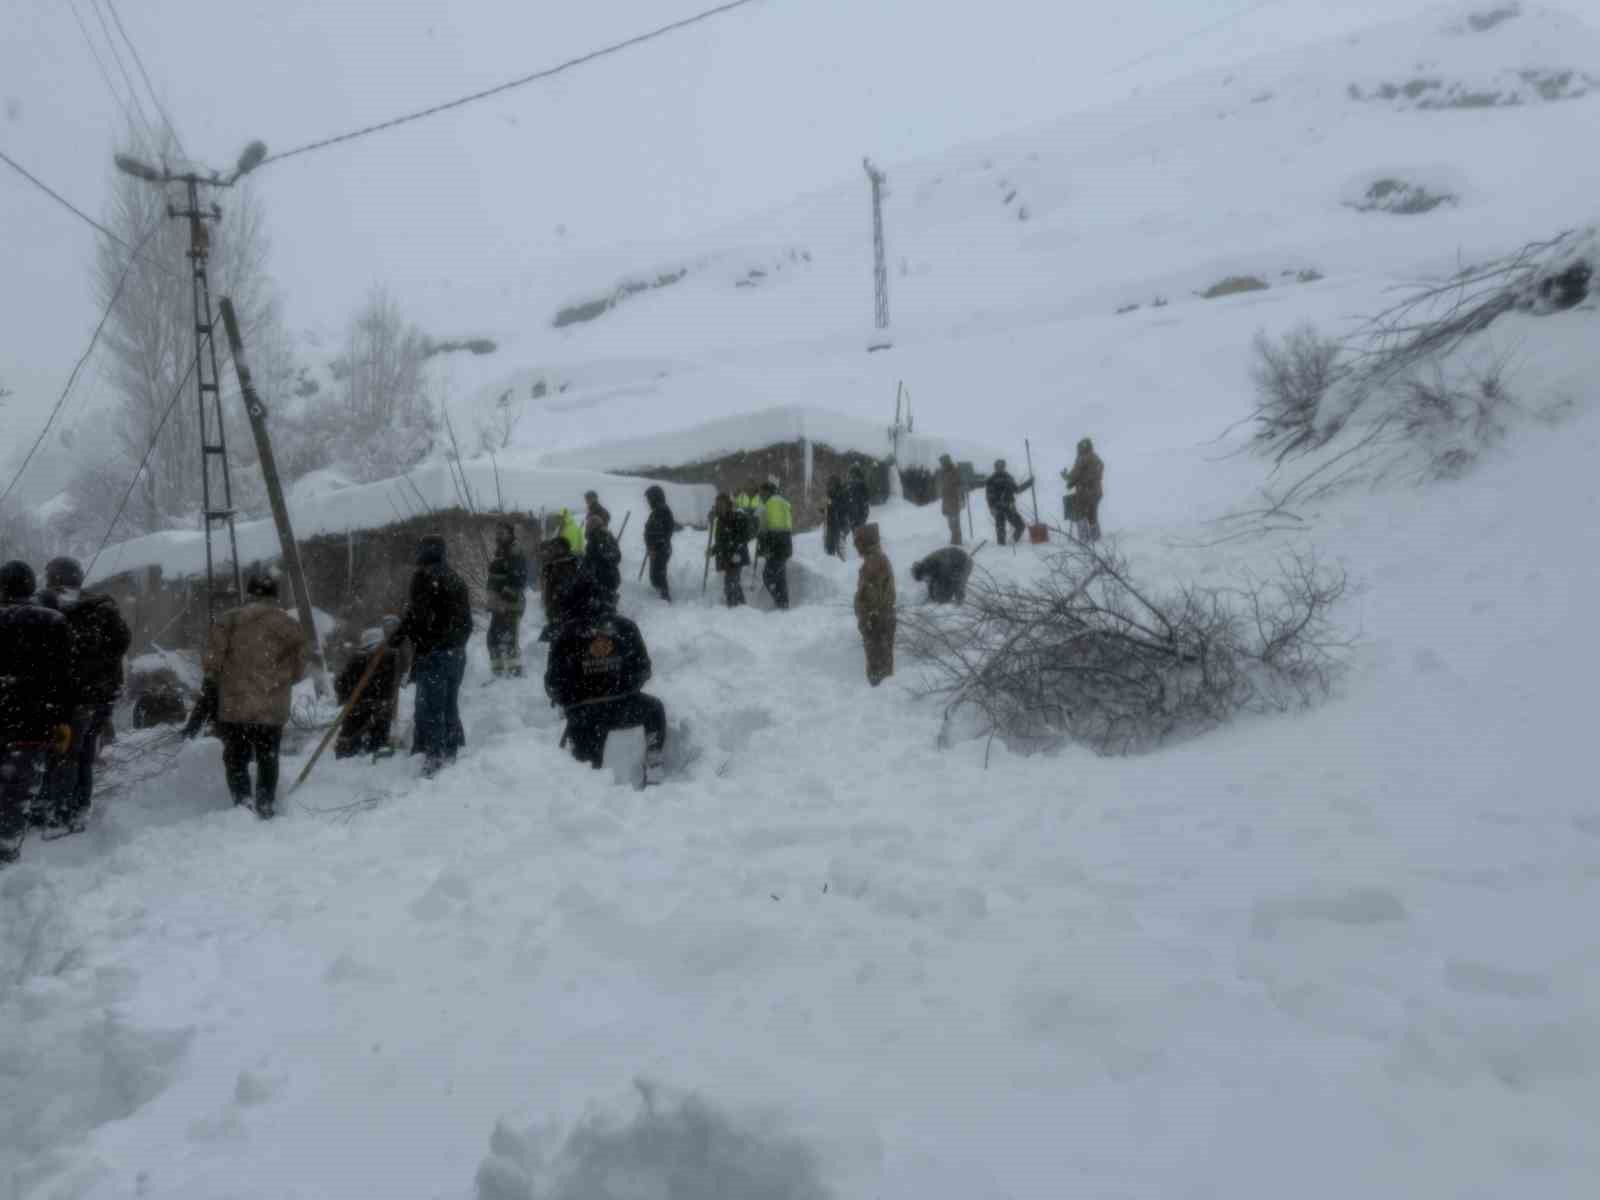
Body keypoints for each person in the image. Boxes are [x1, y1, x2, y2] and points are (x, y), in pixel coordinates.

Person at [198, 573, 307, 819]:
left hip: (236, 706)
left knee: (236, 757)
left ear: (249, 594)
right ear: (275, 596)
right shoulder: (290, 626)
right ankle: (266, 801)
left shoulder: (229, 620)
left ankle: (242, 802)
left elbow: (212, 664)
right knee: (268, 756)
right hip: (272, 707)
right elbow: (299, 672)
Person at [36, 556, 132, 831]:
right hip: (100, 697)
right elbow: (122, 643)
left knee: (63, 754)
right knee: (86, 754)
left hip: (68, 697)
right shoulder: (103, 607)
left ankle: (59, 811)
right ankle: (78, 808)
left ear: (53, 578)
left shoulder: (50, 608)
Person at [544, 576, 667, 780]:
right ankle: (654, 759)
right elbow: (644, 668)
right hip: (624, 706)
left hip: (583, 714)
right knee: (654, 709)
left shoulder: (565, 634)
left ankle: (587, 787)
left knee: (586, 771)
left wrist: (572, 700)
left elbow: (553, 683)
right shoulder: (625, 627)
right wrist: (623, 688)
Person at [0, 561, 71, 865]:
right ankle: (6, 847)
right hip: (34, 721)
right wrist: (62, 719)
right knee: (18, 789)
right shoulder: (53, 621)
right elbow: (65, 679)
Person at [392, 535, 472, 776]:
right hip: (456, 653)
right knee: (448, 704)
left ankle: (434, 758)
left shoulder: (426, 579)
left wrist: (401, 635)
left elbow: (417, 615)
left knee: (430, 707)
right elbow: (465, 622)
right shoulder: (455, 578)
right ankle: (450, 751)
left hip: (435, 654)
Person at [334, 627, 399, 759]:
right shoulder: (392, 657)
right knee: (380, 729)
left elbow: (341, 683)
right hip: (382, 705)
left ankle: (347, 749)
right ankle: (377, 747)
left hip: (358, 705)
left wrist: (344, 697)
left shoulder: (358, 659)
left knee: (350, 731)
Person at [852, 523, 896, 686]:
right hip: (877, 620)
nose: (855, 546)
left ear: (865, 542)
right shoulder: (874, 559)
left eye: (857, 542)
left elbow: (873, 596)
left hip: (877, 622)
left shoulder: (874, 562)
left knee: (879, 673)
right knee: (881, 670)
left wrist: (868, 618)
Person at [485, 522, 528, 678]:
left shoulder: (514, 551)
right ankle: (497, 671)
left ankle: (515, 672)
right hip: (498, 605)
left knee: (509, 639)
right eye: (497, 533)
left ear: (510, 534)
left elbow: (517, 581)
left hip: (510, 605)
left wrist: (503, 600)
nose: (498, 536)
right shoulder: (500, 552)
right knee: (493, 639)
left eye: (502, 533)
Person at [756, 477, 794, 610]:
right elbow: (788, 524)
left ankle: (781, 602)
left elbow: (763, 529)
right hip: (786, 543)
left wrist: (764, 548)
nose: (760, 495)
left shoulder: (766, 505)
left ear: (767, 492)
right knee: (779, 575)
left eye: (762, 493)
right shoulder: (784, 502)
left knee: (768, 576)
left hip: (774, 543)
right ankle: (783, 603)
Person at [709, 493, 750, 607]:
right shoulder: (720, 520)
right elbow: (721, 542)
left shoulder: (736, 516)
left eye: (722, 504)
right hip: (727, 556)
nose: (719, 507)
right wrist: (712, 551)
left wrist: (736, 551)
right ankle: (742, 607)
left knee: (730, 584)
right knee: (734, 583)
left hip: (736, 556)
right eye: (717, 504)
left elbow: (743, 536)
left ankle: (733, 609)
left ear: (728, 505)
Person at [1063, 437, 1105, 543]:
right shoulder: (1096, 458)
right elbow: (1092, 475)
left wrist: (1066, 477)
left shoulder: (1082, 459)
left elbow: (1074, 476)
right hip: (1097, 492)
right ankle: (1096, 537)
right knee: (1092, 514)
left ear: (1081, 448)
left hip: (1085, 492)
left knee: (1079, 514)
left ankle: (1084, 539)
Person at [984, 458, 1032, 547]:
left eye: (1001, 466)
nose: (1000, 468)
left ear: (1004, 467)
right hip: (1000, 507)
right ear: (995, 467)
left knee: (1019, 526)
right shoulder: (993, 479)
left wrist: (1028, 483)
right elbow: (989, 496)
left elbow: (1016, 490)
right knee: (1002, 530)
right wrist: (992, 507)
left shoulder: (1007, 478)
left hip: (1008, 506)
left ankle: (1011, 543)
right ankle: (1003, 549)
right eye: (998, 467)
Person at [643, 485, 676, 603]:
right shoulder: (658, 510)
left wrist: (654, 546)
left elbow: (660, 531)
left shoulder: (661, 510)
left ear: (655, 497)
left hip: (660, 548)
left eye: (649, 498)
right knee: (656, 576)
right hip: (659, 548)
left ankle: (665, 599)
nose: (648, 501)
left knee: (658, 575)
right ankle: (660, 598)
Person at [582, 512, 623, 608]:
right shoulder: (605, 536)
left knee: (603, 602)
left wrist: (598, 563)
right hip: (610, 576)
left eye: (589, 525)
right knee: (605, 599)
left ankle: (608, 611)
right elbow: (615, 556)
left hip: (603, 577)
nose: (587, 527)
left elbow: (611, 556)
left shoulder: (599, 537)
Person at [938, 454, 966, 546]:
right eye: (941, 463)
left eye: (943, 462)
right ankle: (955, 539)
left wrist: (961, 498)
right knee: (951, 523)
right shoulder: (944, 472)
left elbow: (960, 485)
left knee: (955, 523)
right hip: (947, 500)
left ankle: (957, 541)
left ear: (947, 462)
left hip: (954, 500)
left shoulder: (954, 471)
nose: (941, 464)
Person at [822, 476, 847, 559]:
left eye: (832, 484)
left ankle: (842, 564)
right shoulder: (829, 494)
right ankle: (830, 562)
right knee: (829, 545)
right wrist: (823, 509)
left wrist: (832, 504)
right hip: (831, 523)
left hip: (839, 523)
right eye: (829, 484)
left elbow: (843, 507)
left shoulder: (842, 492)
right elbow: (827, 507)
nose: (830, 486)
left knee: (840, 547)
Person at [844, 464, 872, 537]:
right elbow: (867, 497)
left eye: (852, 473)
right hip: (858, 511)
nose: (852, 475)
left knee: (856, 529)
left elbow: (866, 497)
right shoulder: (859, 483)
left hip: (857, 511)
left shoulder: (852, 484)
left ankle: (859, 541)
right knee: (858, 529)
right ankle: (859, 541)